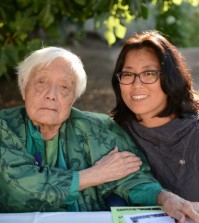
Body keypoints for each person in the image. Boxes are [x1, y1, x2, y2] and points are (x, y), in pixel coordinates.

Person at [0, 46, 198, 223]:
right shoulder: (4, 127)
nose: (51, 94)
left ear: (73, 98)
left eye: (64, 87)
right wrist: (95, 175)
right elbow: (19, 188)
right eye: (41, 82)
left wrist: (165, 197)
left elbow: (133, 178)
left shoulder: (99, 129)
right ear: (24, 89)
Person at [111, 30, 199, 213]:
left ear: (171, 77)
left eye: (149, 73)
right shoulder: (110, 133)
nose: (136, 85)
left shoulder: (195, 134)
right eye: (128, 74)